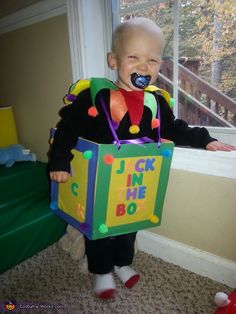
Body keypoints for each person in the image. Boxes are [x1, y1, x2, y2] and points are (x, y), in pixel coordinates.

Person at [49, 17, 235, 299]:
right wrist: (60, 161)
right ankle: (101, 271)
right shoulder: (94, 97)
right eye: (133, 57)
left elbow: (175, 128)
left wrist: (205, 140)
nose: (143, 66)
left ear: (160, 65)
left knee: (129, 226)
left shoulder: (157, 101)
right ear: (114, 60)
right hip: (101, 180)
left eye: (152, 60)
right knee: (99, 229)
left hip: (135, 182)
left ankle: (123, 263)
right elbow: (67, 130)